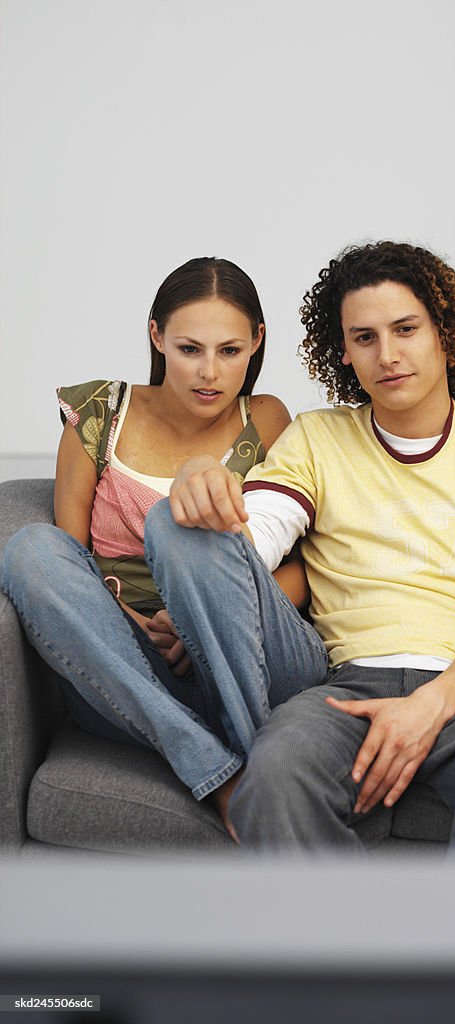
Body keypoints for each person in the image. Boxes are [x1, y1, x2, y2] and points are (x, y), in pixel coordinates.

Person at [167, 240, 455, 852]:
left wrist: (435, 703)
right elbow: (249, 545)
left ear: (445, 333)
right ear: (344, 351)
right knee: (274, 777)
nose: (387, 355)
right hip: (344, 684)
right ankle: (352, 943)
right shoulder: (316, 437)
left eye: (406, 329)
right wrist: (198, 477)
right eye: (364, 337)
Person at [0, 258, 324, 837]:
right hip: (136, 664)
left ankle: (258, 757)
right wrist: (134, 620)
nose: (210, 373)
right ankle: (219, 771)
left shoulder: (267, 418)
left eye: (229, 351)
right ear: (157, 337)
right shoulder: (97, 414)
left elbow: (301, 574)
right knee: (29, 549)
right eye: (189, 348)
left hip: (251, 651)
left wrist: (193, 614)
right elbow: (69, 562)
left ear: (257, 342)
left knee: (180, 526)